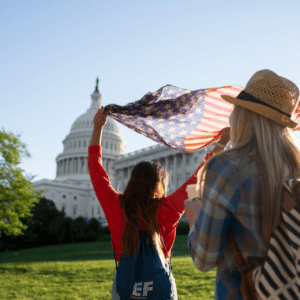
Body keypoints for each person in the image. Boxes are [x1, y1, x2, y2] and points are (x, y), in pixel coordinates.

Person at [88, 106, 230, 299]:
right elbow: (200, 178)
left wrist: (97, 128)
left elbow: (95, 170)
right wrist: (221, 144)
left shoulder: (116, 206)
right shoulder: (168, 209)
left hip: (125, 287)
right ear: (160, 185)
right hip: (160, 285)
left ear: (132, 181)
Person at [185, 69, 300, 299]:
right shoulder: (295, 168)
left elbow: (204, 258)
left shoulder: (227, 168)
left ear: (244, 116)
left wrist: (195, 217)